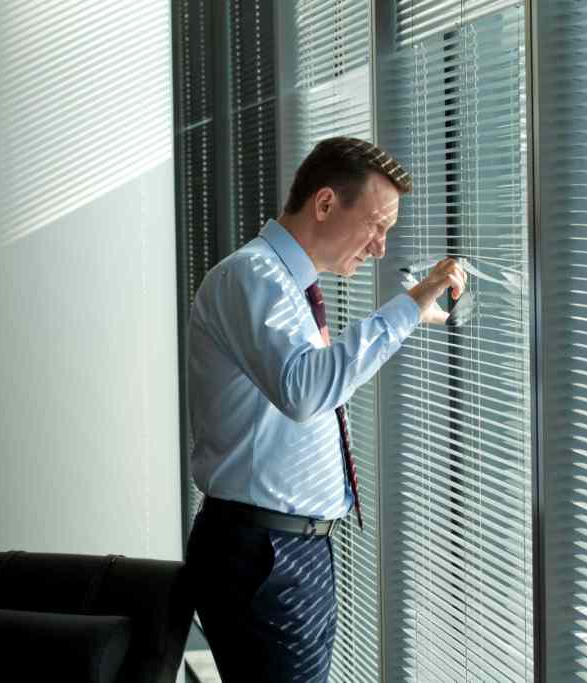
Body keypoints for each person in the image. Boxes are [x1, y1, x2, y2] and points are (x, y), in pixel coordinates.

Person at [184, 136, 467, 682]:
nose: (380, 248)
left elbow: (316, 386)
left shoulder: (287, 287)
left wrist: (411, 318)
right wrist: (408, 307)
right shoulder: (254, 276)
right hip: (265, 553)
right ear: (325, 203)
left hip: (285, 547)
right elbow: (305, 390)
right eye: (376, 226)